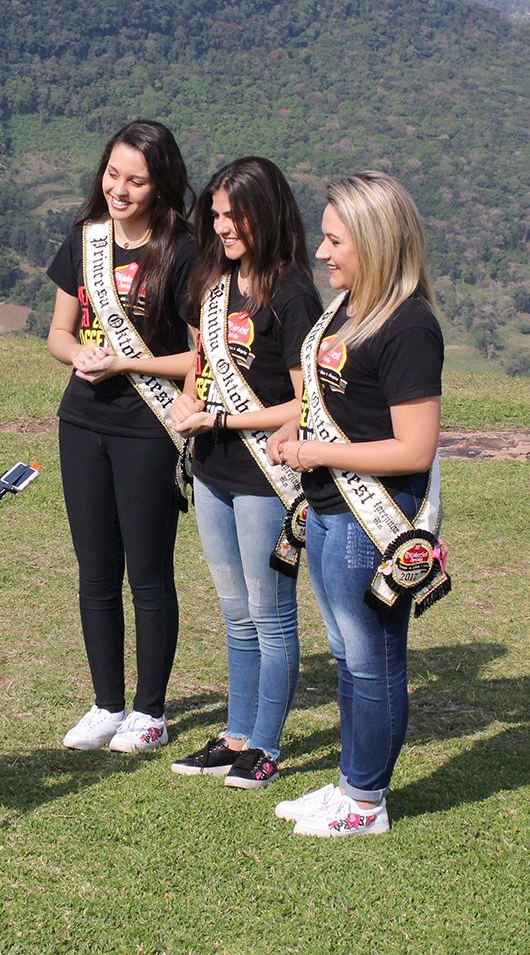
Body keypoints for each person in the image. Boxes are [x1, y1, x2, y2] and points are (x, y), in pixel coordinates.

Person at [267, 172, 450, 837]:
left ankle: (366, 801)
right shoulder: (344, 309)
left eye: (335, 240)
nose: (321, 253)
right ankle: (351, 783)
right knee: (349, 657)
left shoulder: (407, 327)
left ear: (373, 243)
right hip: (329, 512)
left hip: (368, 521)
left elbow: (413, 448)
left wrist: (321, 455)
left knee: (374, 661)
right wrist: (299, 431)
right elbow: (338, 409)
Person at [167, 157, 322, 789]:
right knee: (234, 612)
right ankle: (236, 735)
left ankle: (266, 746)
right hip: (212, 470)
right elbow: (201, 361)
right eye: (217, 215)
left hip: (265, 474)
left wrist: (225, 424)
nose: (223, 227)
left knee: (271, 613)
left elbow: (308, 401)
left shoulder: (291, 292)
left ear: (266, 214)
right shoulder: (213, 280)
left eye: (234, 216)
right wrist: (185, 401)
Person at [46, 120, 196, 754]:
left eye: (136, 180)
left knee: (149, 572)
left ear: (160, 184)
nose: (120, 190)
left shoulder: (185, 250)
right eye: (112, 175)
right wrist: (78, 356)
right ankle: (106, 703)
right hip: (83, 420)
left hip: (149, 427)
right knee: (96, 570)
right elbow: (57, 333)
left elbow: (201, 358)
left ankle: (150, 711)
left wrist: (128, 362)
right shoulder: (88, 241)